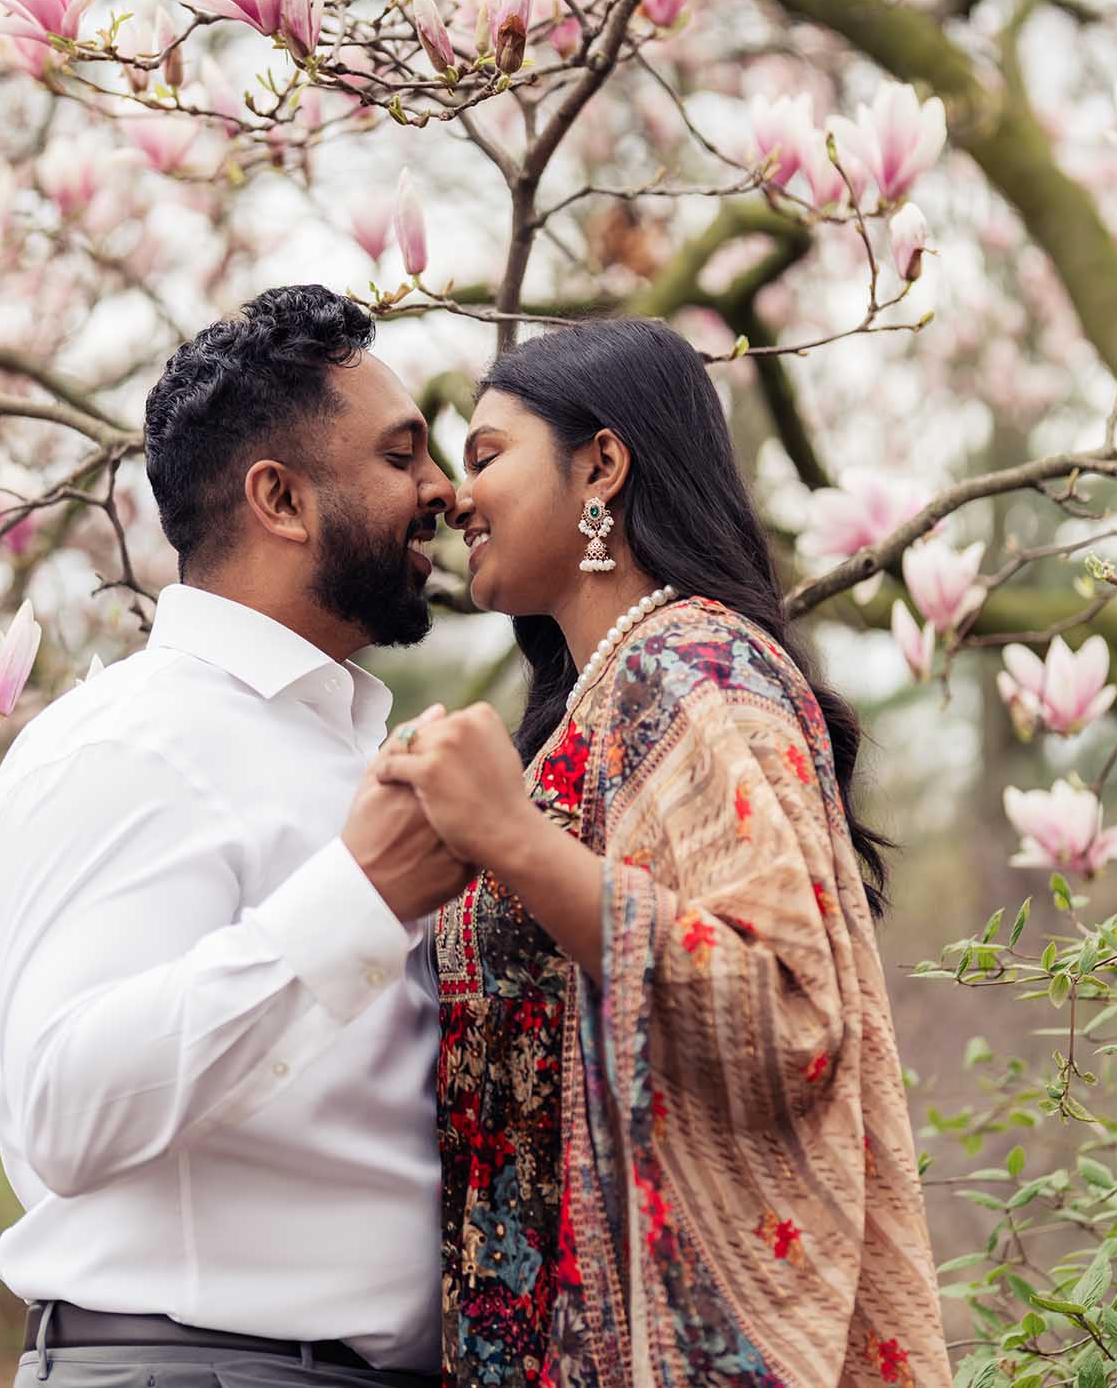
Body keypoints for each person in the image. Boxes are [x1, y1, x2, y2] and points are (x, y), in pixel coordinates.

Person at [374, 317, 950, 1388]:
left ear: (600, 463)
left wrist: (507, 838)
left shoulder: (698, 672)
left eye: (487, 456)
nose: (454, 500)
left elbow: (785, 1004)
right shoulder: (591, 708)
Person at [0, 285, 470, 1388]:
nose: (443, 490)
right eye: (400, 456)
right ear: (280, 499)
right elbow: (63, 1106)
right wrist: (357, 902)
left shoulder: (335, 749)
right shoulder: (125, 747)